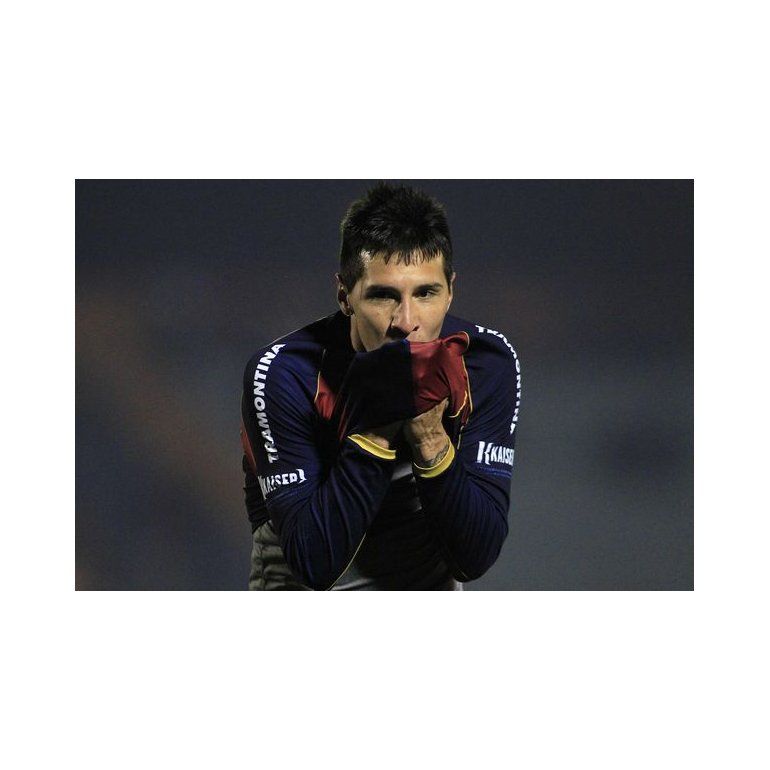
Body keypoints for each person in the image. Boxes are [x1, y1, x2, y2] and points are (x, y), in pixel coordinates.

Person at [240, 182, 521, 590]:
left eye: (426, 293)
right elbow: (312, 563)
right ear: (344, 296)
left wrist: (429, 436)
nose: (406, 321)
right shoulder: (285, 372)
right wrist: (378, 424)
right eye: (383, 296)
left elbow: (474, 557)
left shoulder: (483, 361)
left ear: (450, 292)